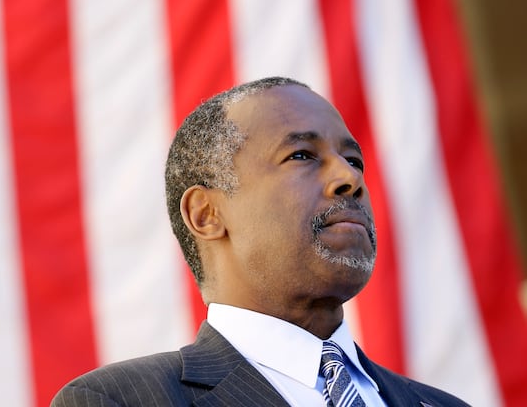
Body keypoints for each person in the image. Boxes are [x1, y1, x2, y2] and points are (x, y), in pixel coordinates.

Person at [51, 77, 469, 406]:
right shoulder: (119, 401)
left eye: (353, 160)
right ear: (207, 214)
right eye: (302, 155)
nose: (350, 179)